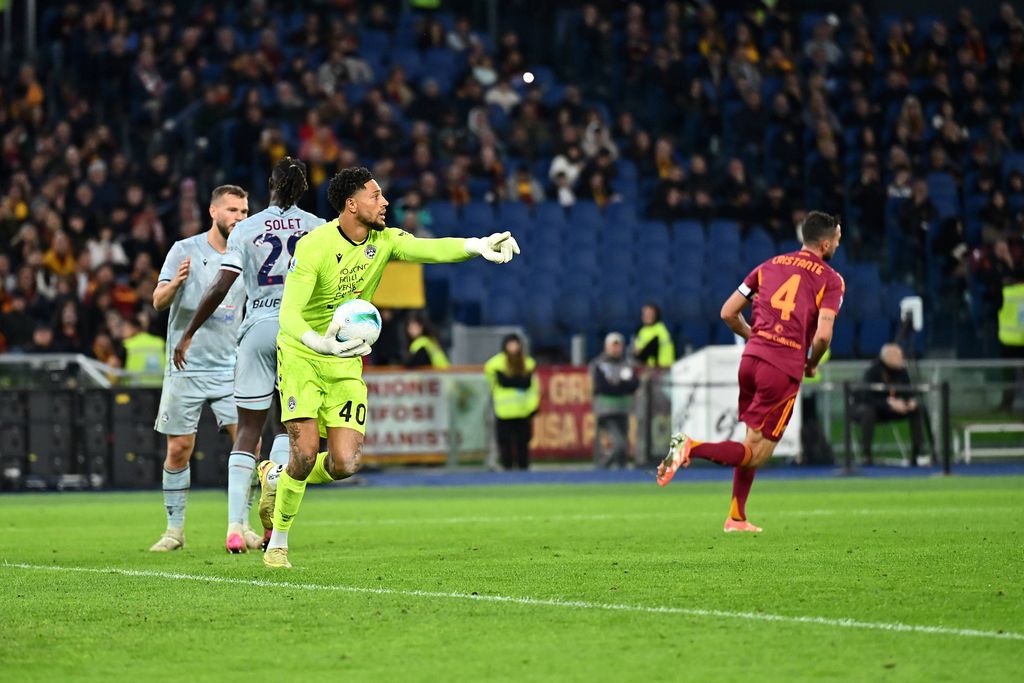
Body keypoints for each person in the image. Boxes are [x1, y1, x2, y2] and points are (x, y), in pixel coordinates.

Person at [259, 166, 520, 569]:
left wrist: (477, 244)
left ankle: (277, 477)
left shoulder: (385, 241)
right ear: (351, 204)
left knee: (345, 463)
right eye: (375, 195)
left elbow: (428, 250)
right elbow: (289, 315)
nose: (384, 203)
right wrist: (319, 342)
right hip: (302, 355)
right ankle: (279, 542)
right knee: (307, 451)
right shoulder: (314, 246)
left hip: (345, 361)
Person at [658, 211, 845, 533]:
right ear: (826, 244)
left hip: (751, 361)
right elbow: (824, 335)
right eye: (838, 239)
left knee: (750, 440)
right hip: (782, 367)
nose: (839, 244)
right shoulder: (831, 280)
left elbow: (728, 312)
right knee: (756, 455)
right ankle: (690, 446)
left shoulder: (768, 265)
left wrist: (753, 336)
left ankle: (736, 517)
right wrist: (812, 363)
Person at [172, 158, 324, 553]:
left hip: (257, 329)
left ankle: (234, 526)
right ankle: (273, 517)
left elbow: (221, 286)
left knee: (248, 430)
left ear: (270, 183)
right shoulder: (319, 227)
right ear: (303, 188)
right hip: (300, 333)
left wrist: (188, 331)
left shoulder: (248, 228)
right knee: (286, 426)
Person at [148, 185, 249, 552]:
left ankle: (243, 525)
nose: (238, 218)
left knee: (246, 445)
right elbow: (158, 301)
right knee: (179, 449)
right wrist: (175, 284)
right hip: (186, 367)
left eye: (243, 211)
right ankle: (174, 531)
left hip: (231, 369)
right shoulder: (184, 250)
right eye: (232, 211)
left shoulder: (248, 253)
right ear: (213, 212)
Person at [855, 343, 925, 466]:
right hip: (874, 409)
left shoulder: (902, 372)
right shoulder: (873, 372)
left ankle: (917, 453)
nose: (902, 359)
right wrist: (889, 404)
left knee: (916, 410)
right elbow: (867, 398)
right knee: (868, 412)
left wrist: (909, 401)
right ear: (889, 357)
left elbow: (907, 391)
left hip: (896, 410)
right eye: (899, 356)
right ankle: (867, 454)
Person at [484, 333, 539, 470]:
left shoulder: (528, 363)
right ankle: (507, 469)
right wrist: (517, 382)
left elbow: (532, 387)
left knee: (523, 443)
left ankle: (523, 470)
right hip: (503, 411)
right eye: (510, 344)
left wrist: (532, 407)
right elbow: (499, 382)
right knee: (504, 443)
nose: (513, 347)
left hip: (523, 410)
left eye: (515, 344)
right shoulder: (495, 364)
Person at [590, 332, 640, 468]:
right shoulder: (599, 364)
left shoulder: (626, 364)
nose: (616, 349)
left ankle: (621, 474)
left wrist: (616, 385)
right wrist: (622, 385)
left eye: (618, 346)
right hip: (605, 410)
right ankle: (602, 467)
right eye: (613, 345)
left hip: (623, 409)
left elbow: (634, 384)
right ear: (607, 347)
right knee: (618, 444)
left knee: (623, 447)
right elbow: (602, 387)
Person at [633, 303, 675, 368]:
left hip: (661, 368)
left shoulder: (660, 329)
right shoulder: (642, 331)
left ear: (655, 315)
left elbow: (641, 354)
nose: (647, 316)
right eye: (645, 314)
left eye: (650, 313)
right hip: (650, 368)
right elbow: (636, 351)